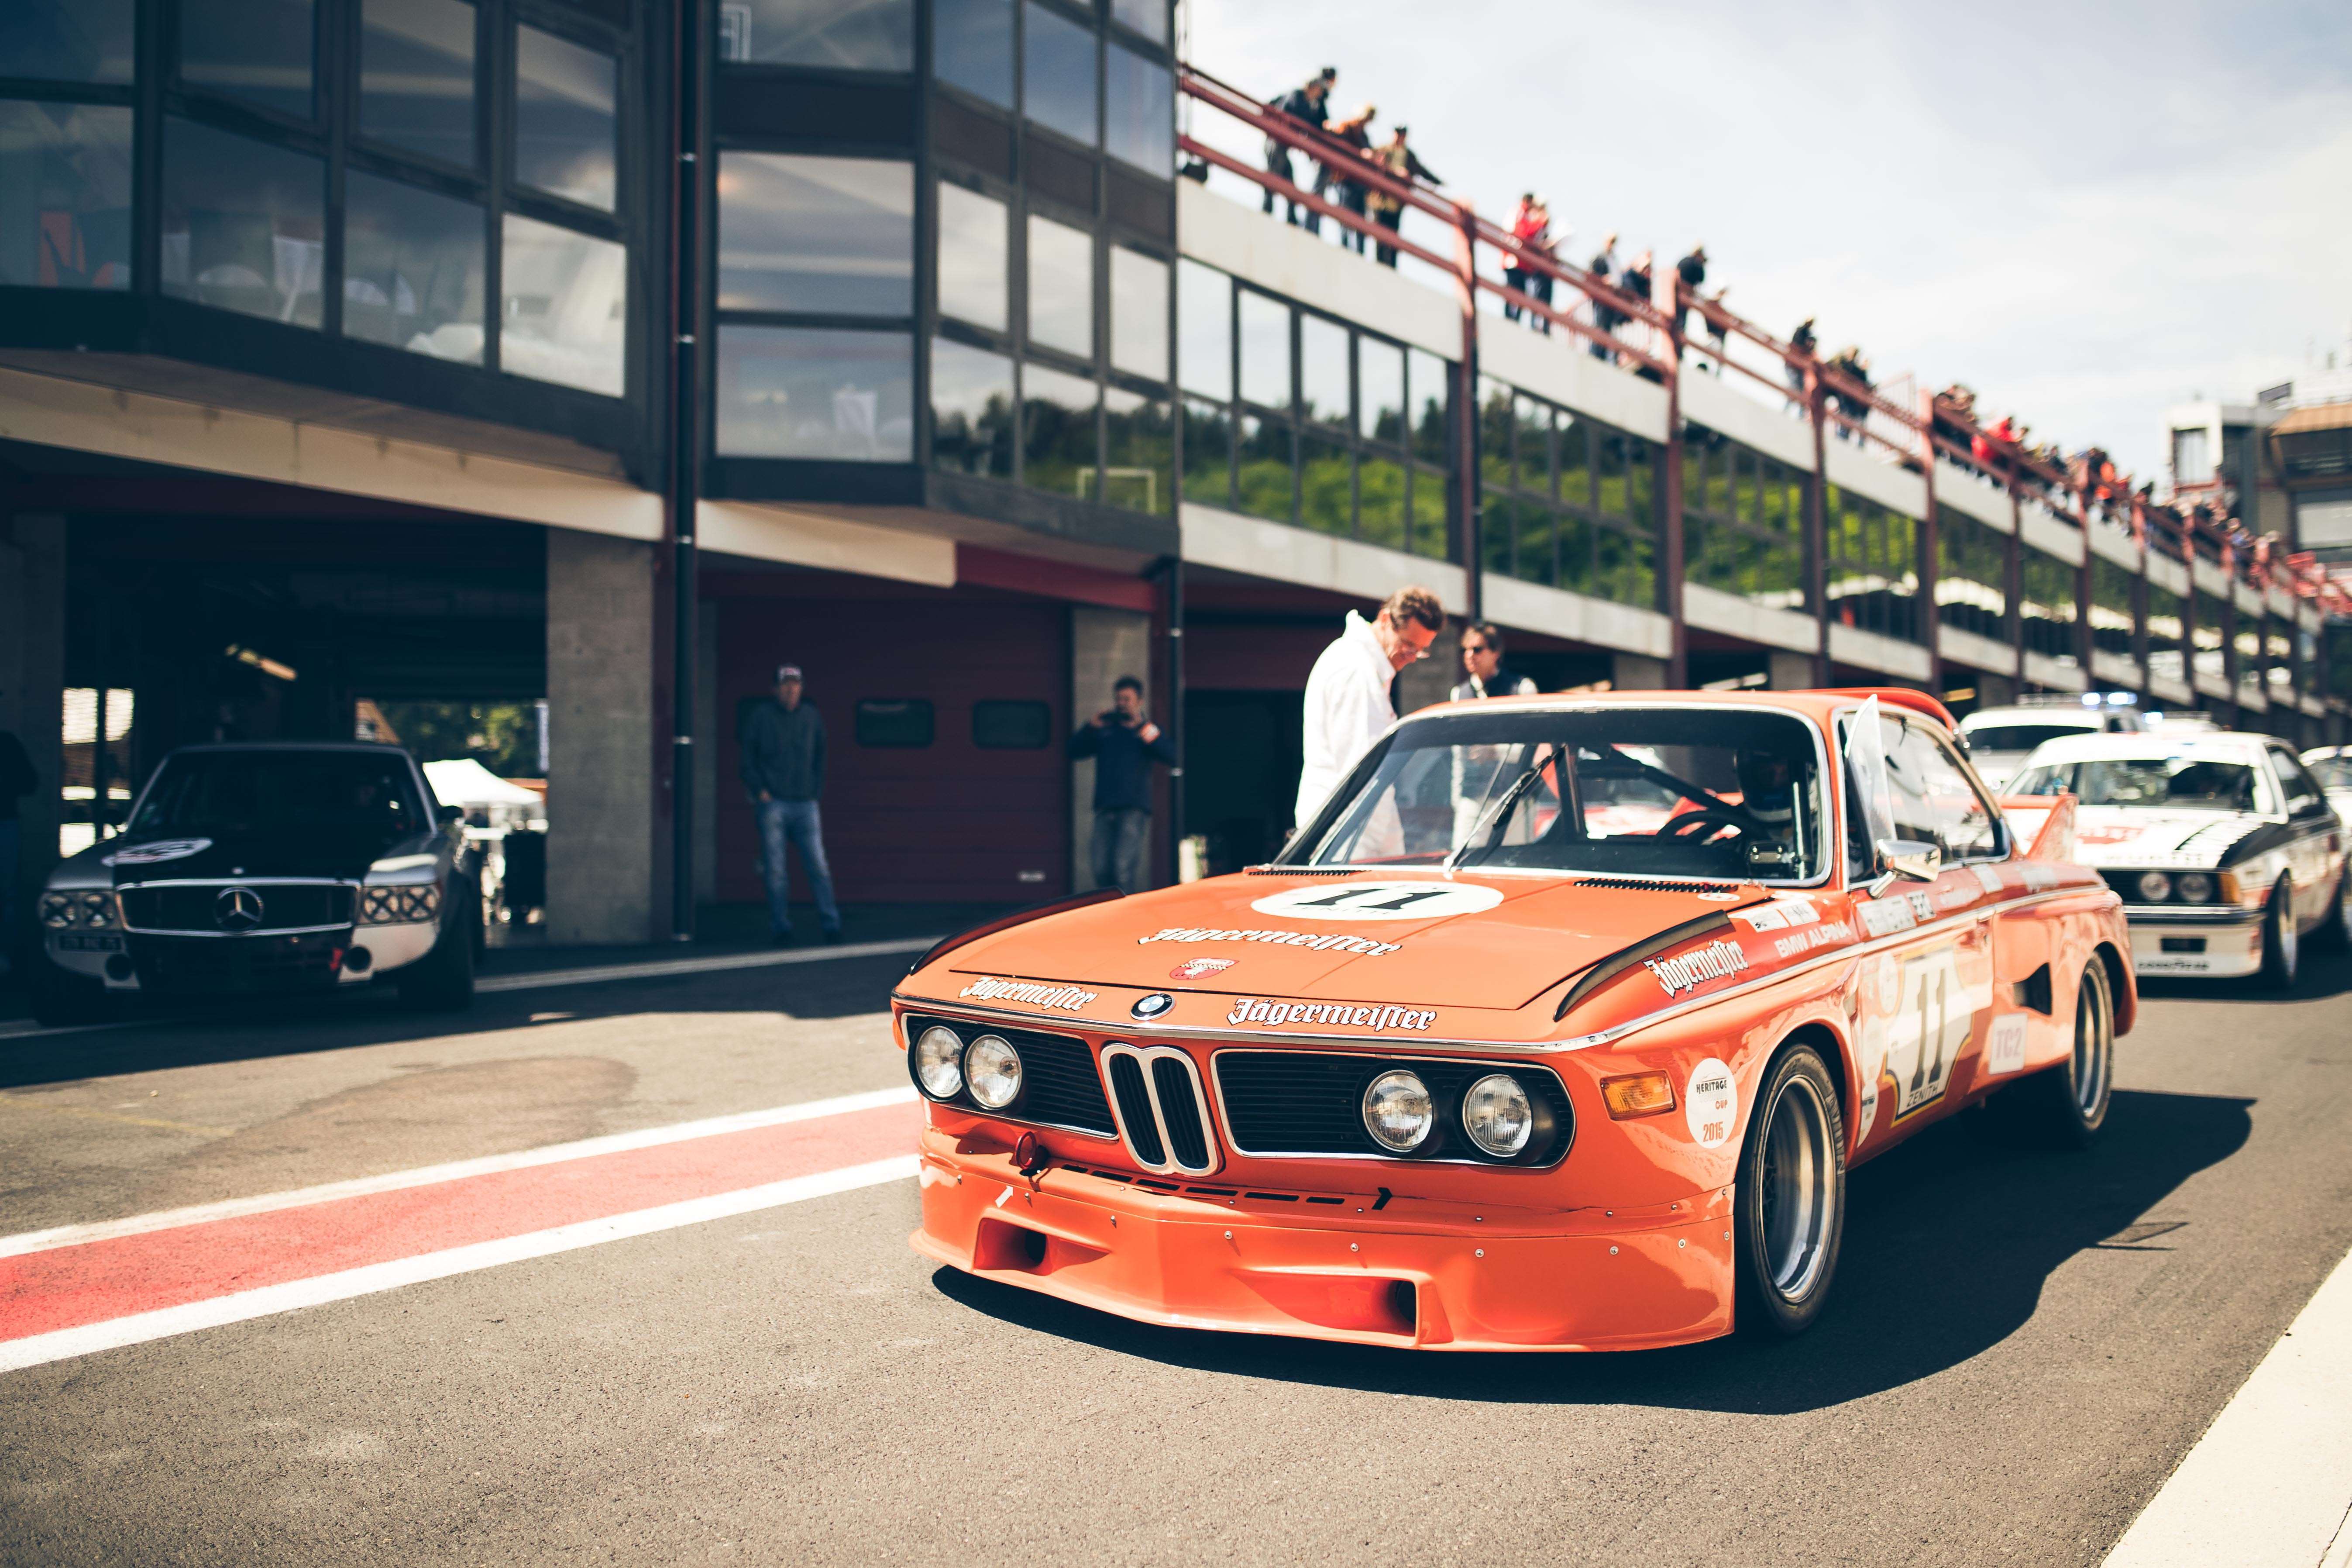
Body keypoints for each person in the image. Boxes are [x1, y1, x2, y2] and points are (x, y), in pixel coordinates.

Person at [1295, 586, 1445, 830]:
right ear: (1386, 620)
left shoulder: (1365, 666)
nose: (1413, 657)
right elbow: (1362, 772)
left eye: (1421, 650)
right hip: (1347, 829)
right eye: (1408, 645)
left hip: (1354, 824)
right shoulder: (1356, 670)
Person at [738, 664, 840, 945]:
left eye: (796, 684)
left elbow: (822, 755)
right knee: (776, 871)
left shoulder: (811, 717)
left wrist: (815, 792)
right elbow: (747, 759)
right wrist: (760, 791)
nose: (791, 689)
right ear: (775, 689)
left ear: (802, 688)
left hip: (806, 804)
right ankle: (781, 928)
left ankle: (831, 925)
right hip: (774, 805)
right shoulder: (761, 717)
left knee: (819, 867)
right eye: (785, 685)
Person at [1067, 675, 1173, 893]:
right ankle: (1109, 911)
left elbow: (1171, 754)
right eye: (1119, 699)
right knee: (1100, 868)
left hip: (1133, 809)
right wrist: (1090, 727)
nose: (1122, 704)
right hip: (1105, 807)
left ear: (1139, 702)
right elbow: (1073, 751)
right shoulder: (1106, 730)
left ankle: (1125, 917)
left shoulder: (1146, 730)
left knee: (1123, 868)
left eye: (1127, 699)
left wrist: (1142, 728)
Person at [1264, 69, 1334, 227]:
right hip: (1276, 142)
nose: (1320, 92)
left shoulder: (1313, 105)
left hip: (1283, 145)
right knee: (1274, 176)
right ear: (1312, 86)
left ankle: (1291, 218)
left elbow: (1316, 123)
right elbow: (1290, 116)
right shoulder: (1296, 96)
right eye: (1318, 89)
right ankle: (1268, 210)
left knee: (1287, 179)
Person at [1365, 126, 1440, 268]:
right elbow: (1371, 158)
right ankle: (1380, 264)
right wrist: (1395, 172)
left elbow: (1421, 170)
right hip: (1381, 200)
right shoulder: (1384, 150)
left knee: (1394, 236)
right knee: (1380, 235)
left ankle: (1392, 266)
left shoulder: (1409, 155)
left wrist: (1436, 182)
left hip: (1396, 202)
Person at [0, 698, 33, 976]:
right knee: (7, 894)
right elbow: (29, 782)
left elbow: (28, 782)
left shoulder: (7, 744)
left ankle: (5, 955)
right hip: (5, 822)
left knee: (7, 894)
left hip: (5, 822)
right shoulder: (7, 743)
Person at [1323, 104, 1378, 253]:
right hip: (1344, 179)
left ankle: (1360, 251)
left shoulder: (1364, 136)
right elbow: (1337, 144)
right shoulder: (1346, 127)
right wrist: (1361, 154)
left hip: (1359, 183)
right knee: (1345, 216)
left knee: (1360, 219)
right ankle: (1344, 246)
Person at [1450, 623, 1537, 701]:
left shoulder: (1522, 688)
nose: (1469, 655)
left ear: (1496, 652)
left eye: (1477, 649)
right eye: (1464, 650)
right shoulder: (1458, 694)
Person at [1587, 233, 1621, 360]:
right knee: (1600, 326)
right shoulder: (1599, 257)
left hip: (1611, 298)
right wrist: (1603, 281)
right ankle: (1596, 355)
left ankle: (1604, 356)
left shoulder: (1613, 258)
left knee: (1607, 328)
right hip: (1602, 296)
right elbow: (1592, 275)